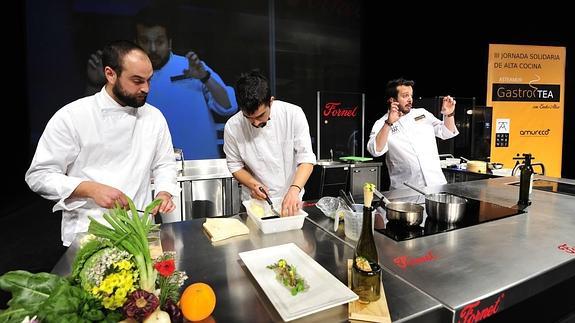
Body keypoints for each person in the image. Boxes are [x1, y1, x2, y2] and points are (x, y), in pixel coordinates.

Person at [26, 40, 179, 246]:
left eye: (149, 80)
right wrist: (90, 188)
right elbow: (39, 175)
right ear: (110, 74)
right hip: (88, 234)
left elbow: (164, 164)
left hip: (140, 230)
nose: (146, 88)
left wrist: (163, 191)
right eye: (137, 81)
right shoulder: (72, 116)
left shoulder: (154, 117)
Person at [86, 5, 238, 160]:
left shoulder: (191, 67)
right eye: (145, 41)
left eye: (159, 42)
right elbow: (95, 117)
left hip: (201, 165)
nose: (152, 49)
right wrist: (94, 83)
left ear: (169, 42)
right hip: (149, 169)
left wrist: (205, 77)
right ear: (135, 42)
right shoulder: (123, 75)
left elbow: (229, 107)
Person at [223, 70, 316, 216]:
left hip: (291, 198)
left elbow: (307, 159)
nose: (255, 122)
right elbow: (235, 166)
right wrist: (254, 184)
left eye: (260, 115)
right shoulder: (233, 126)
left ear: (271, 101)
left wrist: (294, 189)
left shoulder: (293, 114)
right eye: (249, 117)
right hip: (255, 203)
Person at [367, 78, 458, 190]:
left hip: (436, 185)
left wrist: (449, 114)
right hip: (405, 190)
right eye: (405, 96)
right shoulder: (382, 123)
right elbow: (376, 150)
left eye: (411, 95)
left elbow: (446, 132)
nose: (410, 99)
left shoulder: (422, 113)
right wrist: (388, 123)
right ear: (392, 100)